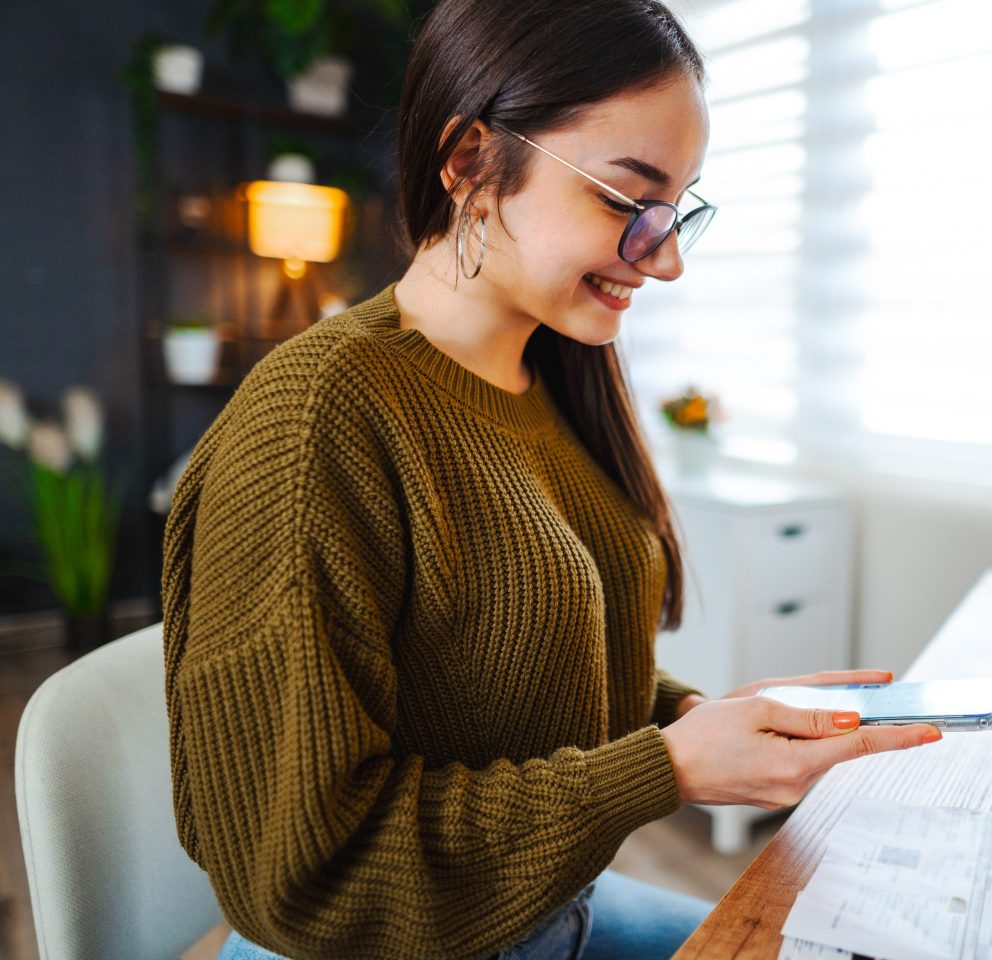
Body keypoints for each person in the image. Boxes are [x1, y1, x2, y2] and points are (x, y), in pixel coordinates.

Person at [160, 1, 942, 958]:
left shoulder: (554, 376)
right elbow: (309, 870)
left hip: (541, 916)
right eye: (626, 200)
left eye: (679, 206)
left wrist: (694, 719)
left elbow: (514, 659)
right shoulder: (319, 421)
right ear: (470, 162)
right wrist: (664, 768)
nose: (667, 259)